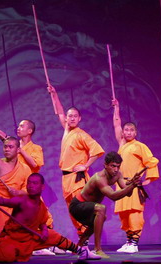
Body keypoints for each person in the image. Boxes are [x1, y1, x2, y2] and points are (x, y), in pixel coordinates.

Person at [0, 114, 58, 255]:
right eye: (18, 126)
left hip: (26, 185)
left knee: (43, 213)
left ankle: (46, 244)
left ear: (30, 131)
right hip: (11, 183)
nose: (18, 128)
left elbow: (35, 164)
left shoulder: (35, 148)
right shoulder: (13, 144)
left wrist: (20, 149)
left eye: (22, 126)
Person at [0, 173, 101, 262]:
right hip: (12, 238)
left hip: (30, 238)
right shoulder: (21, 200)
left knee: (54, 236)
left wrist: (45, 232)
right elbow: (2, 201)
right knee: (7, 256)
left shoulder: (41, 206)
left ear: (42, 187)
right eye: (29, 183)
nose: (30, 186)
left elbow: (42, 224)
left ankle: (81, 251)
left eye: (34, 183)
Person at [48, 85, 105, 241]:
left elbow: (98, 151)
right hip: (66, 178)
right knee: (71, 211)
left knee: (79, 209)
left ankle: (85, 239)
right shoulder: (67, 131)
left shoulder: (82, 135)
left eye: (75, 116)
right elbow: (59, 112)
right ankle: (82, 241)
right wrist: (54, 95)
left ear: (79, 119)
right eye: (69, 116)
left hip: (77, 179)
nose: (71, 118)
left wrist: (86, 165)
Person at [69, 152, 141, 258]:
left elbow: (128, 192)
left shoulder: (118, 174)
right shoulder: (99, 178)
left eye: (118, 166)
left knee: (101, 217)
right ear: (105, 165)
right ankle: (98, 249)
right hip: (77, 206)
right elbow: (113, 196)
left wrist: (132, 184)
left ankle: (78, 247)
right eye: (113, 166)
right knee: (101, 209)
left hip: (89, 207)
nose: (116, 169)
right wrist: (132, 185)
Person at [112, 99, 159, 253]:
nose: (128, 132)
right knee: (124, 215)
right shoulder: (122, 145)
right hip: (121, 185)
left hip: (133, 185)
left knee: (134, 213)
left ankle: (135, 243)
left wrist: (148, 180)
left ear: (136, 132)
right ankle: (129, 241)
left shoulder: (140, 146)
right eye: (126, 130)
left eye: (131, 130)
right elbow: (116, 125)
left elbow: (151, 162)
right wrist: (116, 108)